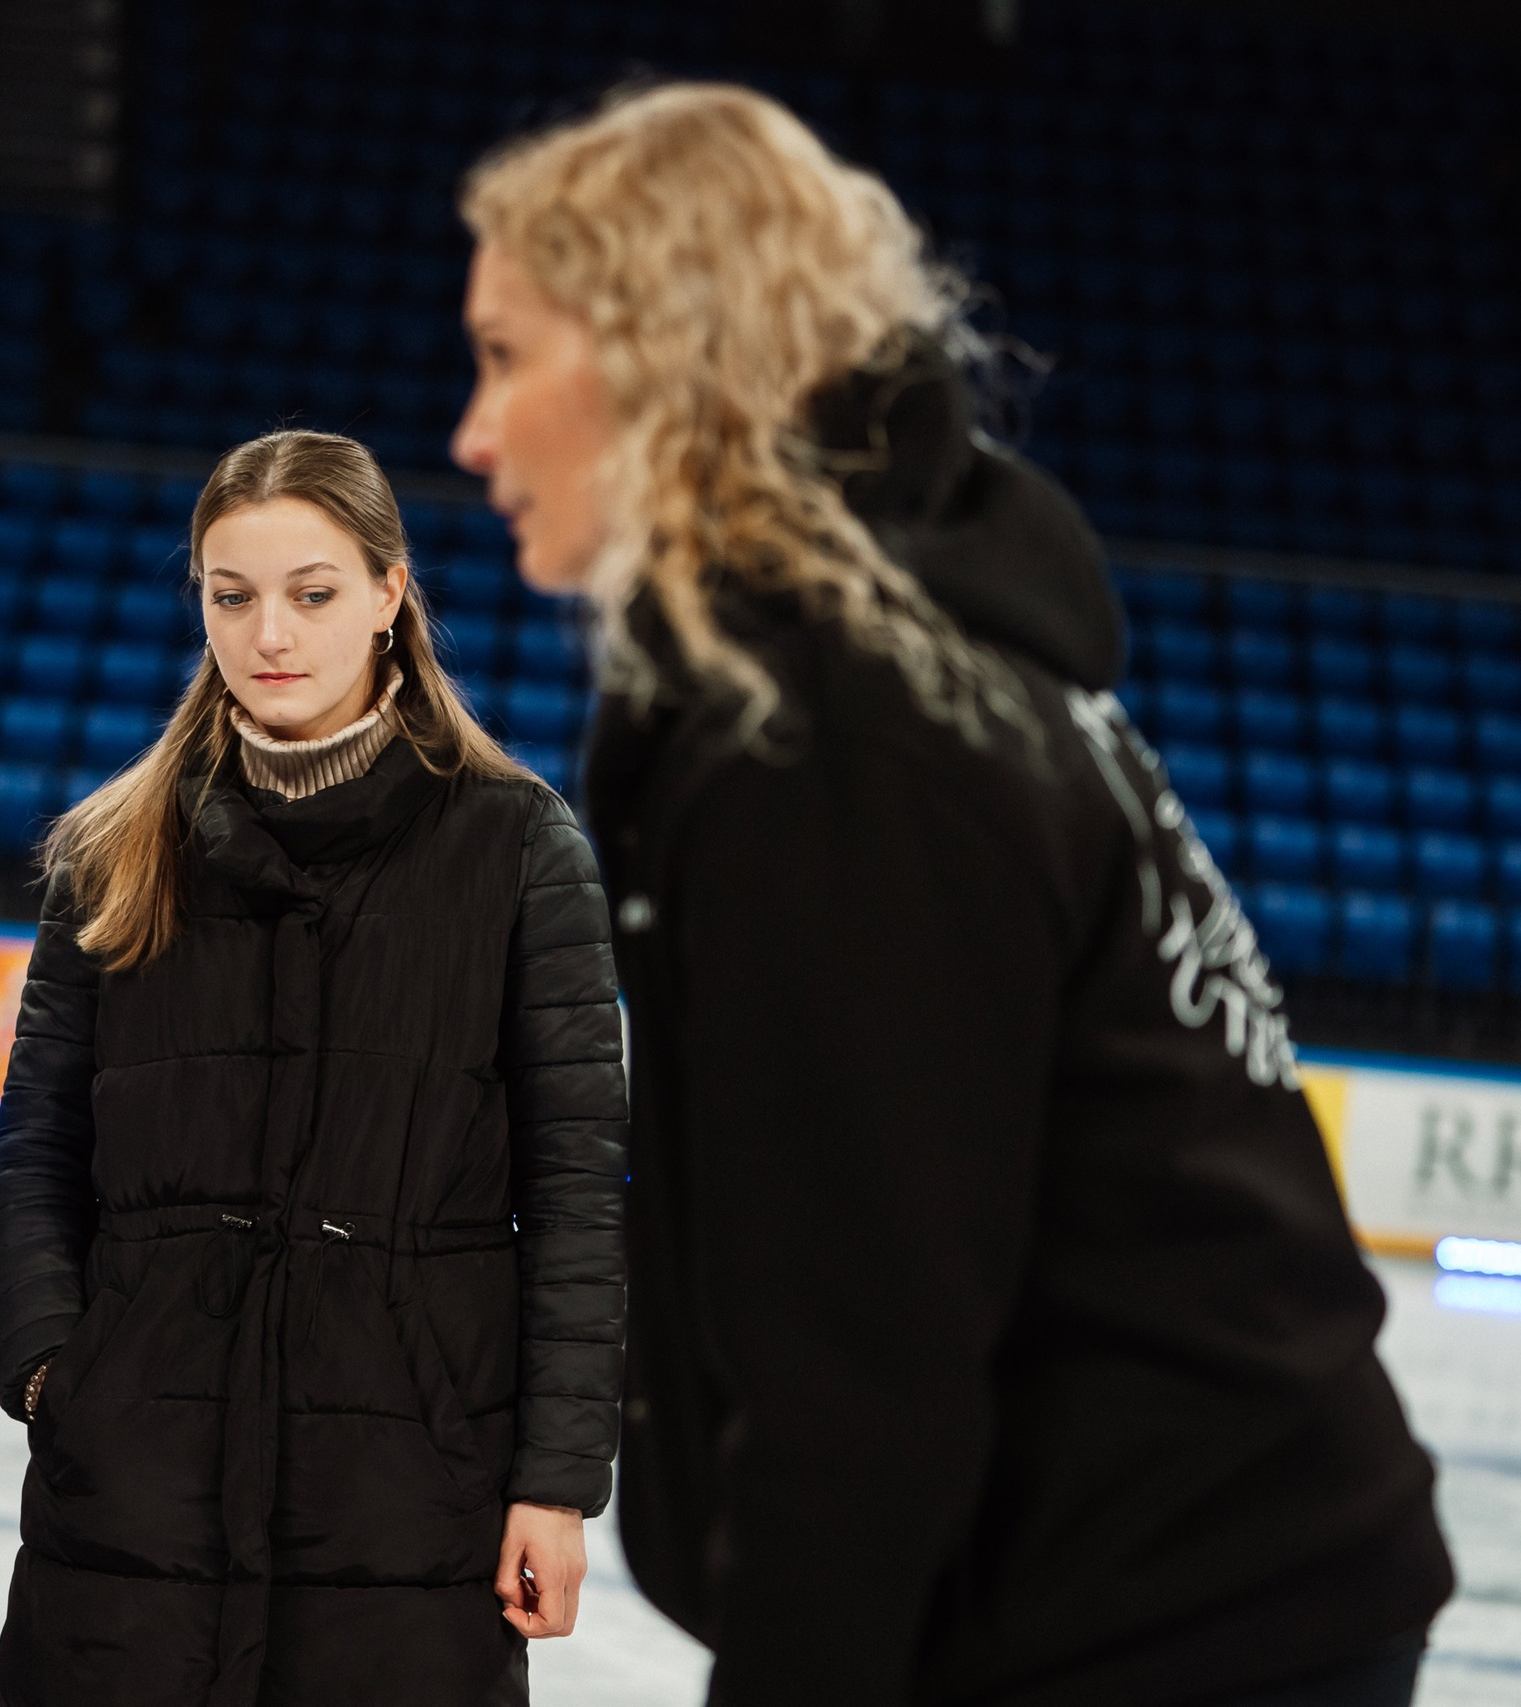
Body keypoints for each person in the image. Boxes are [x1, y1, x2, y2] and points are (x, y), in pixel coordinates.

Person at [450, 83, 1452, 1707]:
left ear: (660, 347)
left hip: (1174, 1627)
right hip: (1198, 1586)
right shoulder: (894, 667)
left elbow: (861, 1372)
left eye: (507, 355)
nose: (472, 433)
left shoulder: (848, 741)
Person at [0, 429, 628, 1706]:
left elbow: (574, 1192)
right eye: (232, 597)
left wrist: (554, 1480)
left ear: (390, 596)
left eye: (312, 593)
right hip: (134, 1495)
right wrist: (59, 1372)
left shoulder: (515, 848)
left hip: (409, 1498)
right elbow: (38, 1150)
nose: (269, 632)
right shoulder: (112, 851)